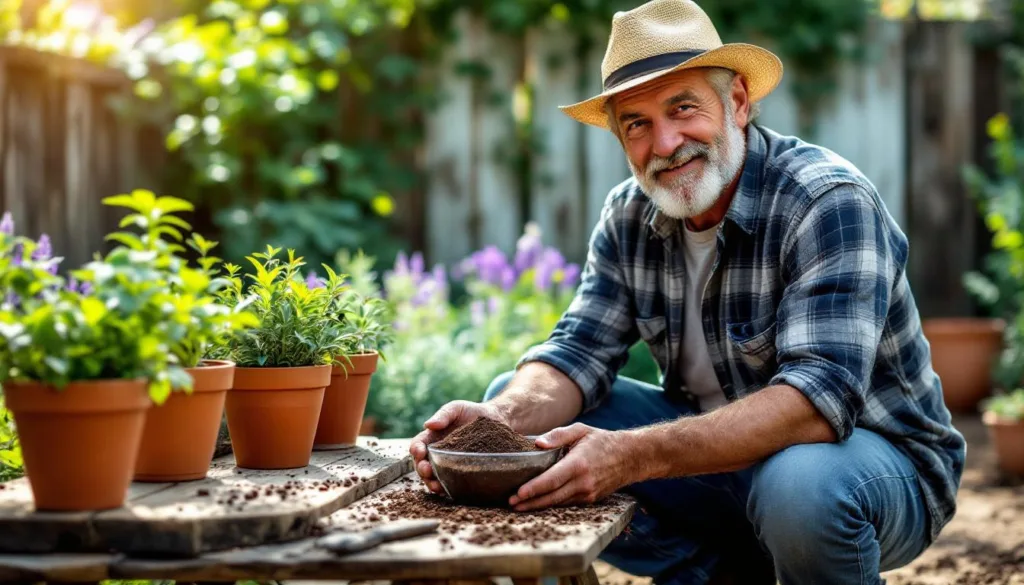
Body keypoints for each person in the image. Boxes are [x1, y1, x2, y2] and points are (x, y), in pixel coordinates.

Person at [410, 1, 966, 583]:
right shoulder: (628, 214)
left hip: (873, 469)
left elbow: (816, 403)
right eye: (637, 123)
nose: (666, 142)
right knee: (516, 421)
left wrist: (630, 455)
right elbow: (578, 351)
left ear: (739, 104)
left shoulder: (826, 202)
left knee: (800, 484)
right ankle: (711, 574)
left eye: (683, 108)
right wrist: (492, 426)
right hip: (714, 464)